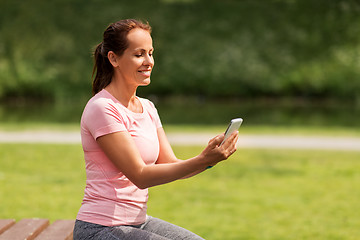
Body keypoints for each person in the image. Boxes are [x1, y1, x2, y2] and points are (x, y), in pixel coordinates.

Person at [73, 19, 239, 240]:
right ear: (114, 58)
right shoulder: (102, 108)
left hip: (137, 223)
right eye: (139, 54)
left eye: (151, 53)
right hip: (100, 229)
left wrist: (209, 160)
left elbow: (170, 164)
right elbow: (140, 175)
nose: (149, 61)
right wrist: (202, 160)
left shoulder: (148, 108)